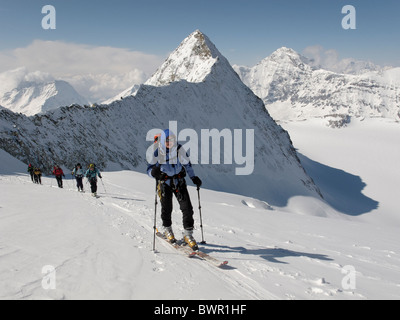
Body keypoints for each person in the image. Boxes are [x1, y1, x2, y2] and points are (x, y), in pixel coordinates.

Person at [147, 129, 202, 250]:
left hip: (179, 182)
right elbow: (149, 170)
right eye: (167, 140)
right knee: (167, 208)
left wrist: (193, 177)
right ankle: (167, 229)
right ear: (162, 141)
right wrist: (154, 173)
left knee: (187, 208)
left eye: (171, 140)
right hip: (164, 183)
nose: (169, 142)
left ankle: (188, 235)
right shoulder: (158, 153)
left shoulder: (179, 150)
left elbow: (187, 164)